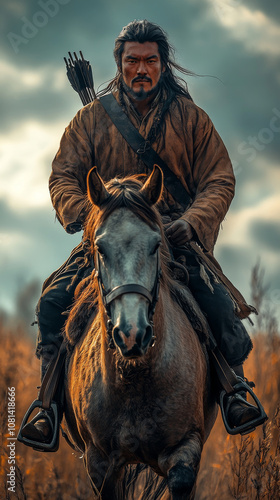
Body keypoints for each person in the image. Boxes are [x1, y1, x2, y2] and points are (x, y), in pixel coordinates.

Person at [20, 20, 264, 446]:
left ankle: (234, 391)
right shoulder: (90, 120)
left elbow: (220, 179)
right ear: (120, 63)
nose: (141, 69)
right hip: (107, 240)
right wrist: (90, 214)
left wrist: (191, 222)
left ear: (163, 65)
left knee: (220, 308)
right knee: (52, 303)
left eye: (150, 60)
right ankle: (47, 405)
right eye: (132, 60)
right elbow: (62, 178)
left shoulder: (192, 120)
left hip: (171, 238)